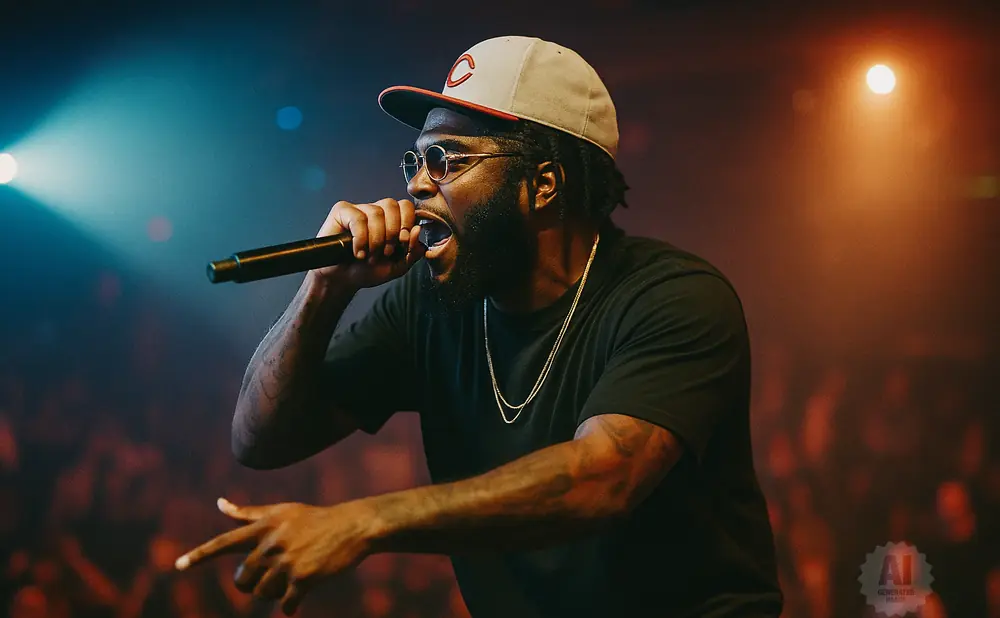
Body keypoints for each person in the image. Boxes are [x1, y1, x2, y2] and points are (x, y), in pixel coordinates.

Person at [175, 35, 783, 618]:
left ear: (543, 185)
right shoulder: (429, 302)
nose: (417, 183)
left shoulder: (672, 297)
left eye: (446, 160)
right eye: (415, 160)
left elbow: (603, 478)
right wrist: (323, 288)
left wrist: (364, 521)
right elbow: (260, 441)